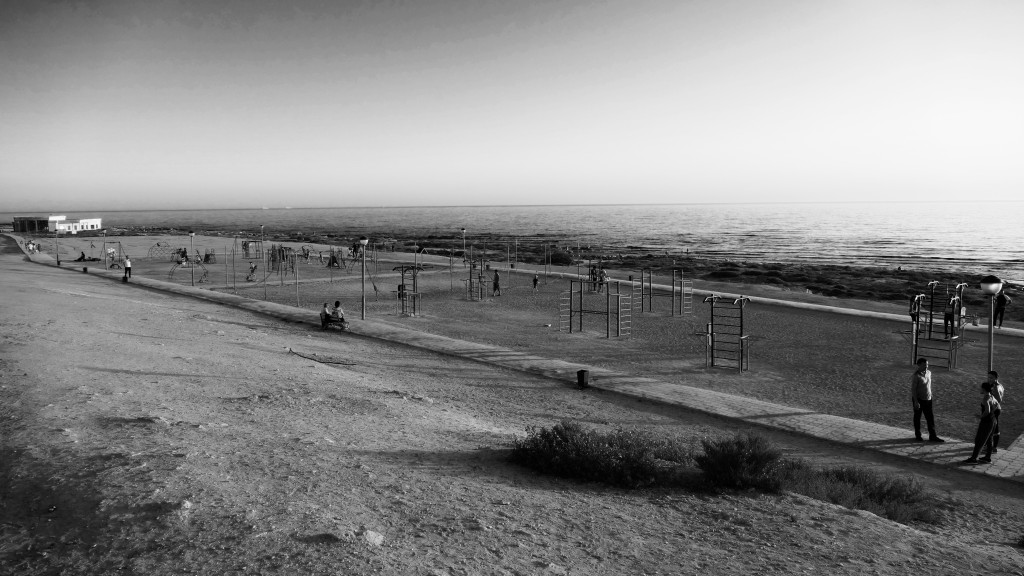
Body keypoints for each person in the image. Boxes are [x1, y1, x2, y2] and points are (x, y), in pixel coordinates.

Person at [964, 381, 1000, 464]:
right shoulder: (992, 396)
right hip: (993, 421)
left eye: (981, 388)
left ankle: (974, 458)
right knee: (989, 439)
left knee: (979, 440)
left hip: (986, 422)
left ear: (983, 389)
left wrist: (981, 416)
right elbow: (997, 405)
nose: (980, 389)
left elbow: (987, 410)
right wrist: (992, 415)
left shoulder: (985, 398)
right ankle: (987, 457)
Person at [910, 358, 944, 442]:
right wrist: (916, 402)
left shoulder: (929, 373)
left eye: (927, 365)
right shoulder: (916, 376)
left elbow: (928, 385)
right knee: (917, 418)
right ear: (919, 365)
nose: (926, 367)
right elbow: (913, 390)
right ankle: (918, 435)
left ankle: (933, 436)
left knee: (930, 418)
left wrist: (930, 394)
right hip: (919, 399)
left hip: (928, 399)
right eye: (924, 365)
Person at [988, 371, 1006, 453]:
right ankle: (992, 446)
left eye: (991, 378)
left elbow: (999, 399)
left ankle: (993, 447)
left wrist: (993, 407)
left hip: (995, 409)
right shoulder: (1000, 386)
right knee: (994, 427)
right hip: (996, 409)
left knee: (994, 428)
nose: (990, 379)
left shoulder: (996, 387)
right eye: (989, 377)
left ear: (996, 378)